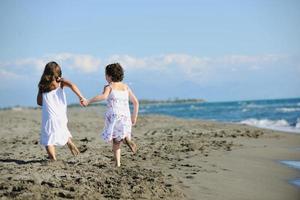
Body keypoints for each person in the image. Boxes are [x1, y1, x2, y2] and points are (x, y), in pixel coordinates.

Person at [83, 63, 138, 167]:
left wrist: (89, 101)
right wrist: (134, 117)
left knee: (116, 141)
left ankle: (118, 163)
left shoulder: (109, 87)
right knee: (121, 135)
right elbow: (135, 102)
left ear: (109, 76)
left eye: (105, 75)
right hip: (125, 117)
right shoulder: (126, 87)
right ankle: (127, 139)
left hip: (114, 116)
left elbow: (103, 97)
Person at [37, 61, 85, 161]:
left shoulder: (42, 85)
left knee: (48, 140)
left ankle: (53, 159)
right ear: (58, 72)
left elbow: (39, 102)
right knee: (61, 128)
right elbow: (72, 85)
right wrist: (81, 97)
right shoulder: (60, 82)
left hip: (49, 116)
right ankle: (69, 142)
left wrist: (42, 91)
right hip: (61, 115)